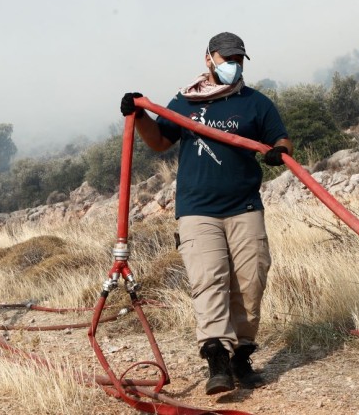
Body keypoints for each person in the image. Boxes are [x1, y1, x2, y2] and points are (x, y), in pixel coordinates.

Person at [120, 31, 292, 395]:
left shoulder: (255, 103)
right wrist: (139, 116)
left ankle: (241, 354)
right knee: (209, 280)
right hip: (197, 210)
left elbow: (281, 137)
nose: (233, 65)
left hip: (244, 206)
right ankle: (217, 358)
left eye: (238, 59)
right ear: (208, 59)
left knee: (251, 278)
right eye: (226, 58)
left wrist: (277, 151)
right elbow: (159, 141)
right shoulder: (184, 102)